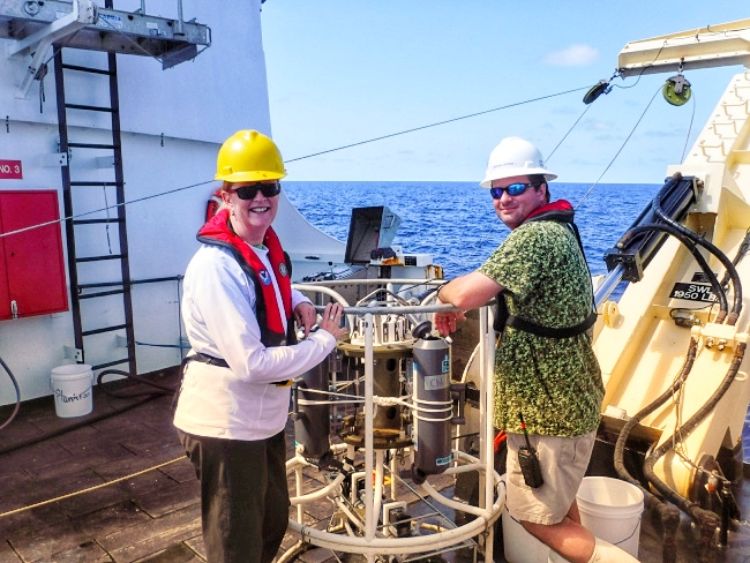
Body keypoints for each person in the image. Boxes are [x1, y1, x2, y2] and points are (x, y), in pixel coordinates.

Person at [434, 137, 632, 563]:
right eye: (496, 191)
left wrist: (442, 291)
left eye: (516, 188)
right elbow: (493, 278)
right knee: (558, 506)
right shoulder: (558, 229)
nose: (504, 198)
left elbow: (467, 293)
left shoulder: (536, 238)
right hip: (568, 400)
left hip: (547, 411)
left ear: (541, 189)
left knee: (535, 518)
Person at [173, 129, 347, 563]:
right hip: (226, 425)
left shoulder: (262, 247)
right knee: (237, 544)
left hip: (262, 421)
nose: (260, 198)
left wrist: (302, 303)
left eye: (269, 187)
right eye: (248, 189)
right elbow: (251, 363)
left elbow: (274, 287)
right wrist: (324, 340)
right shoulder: (216, 266)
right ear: (226, 196)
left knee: (271, 520)